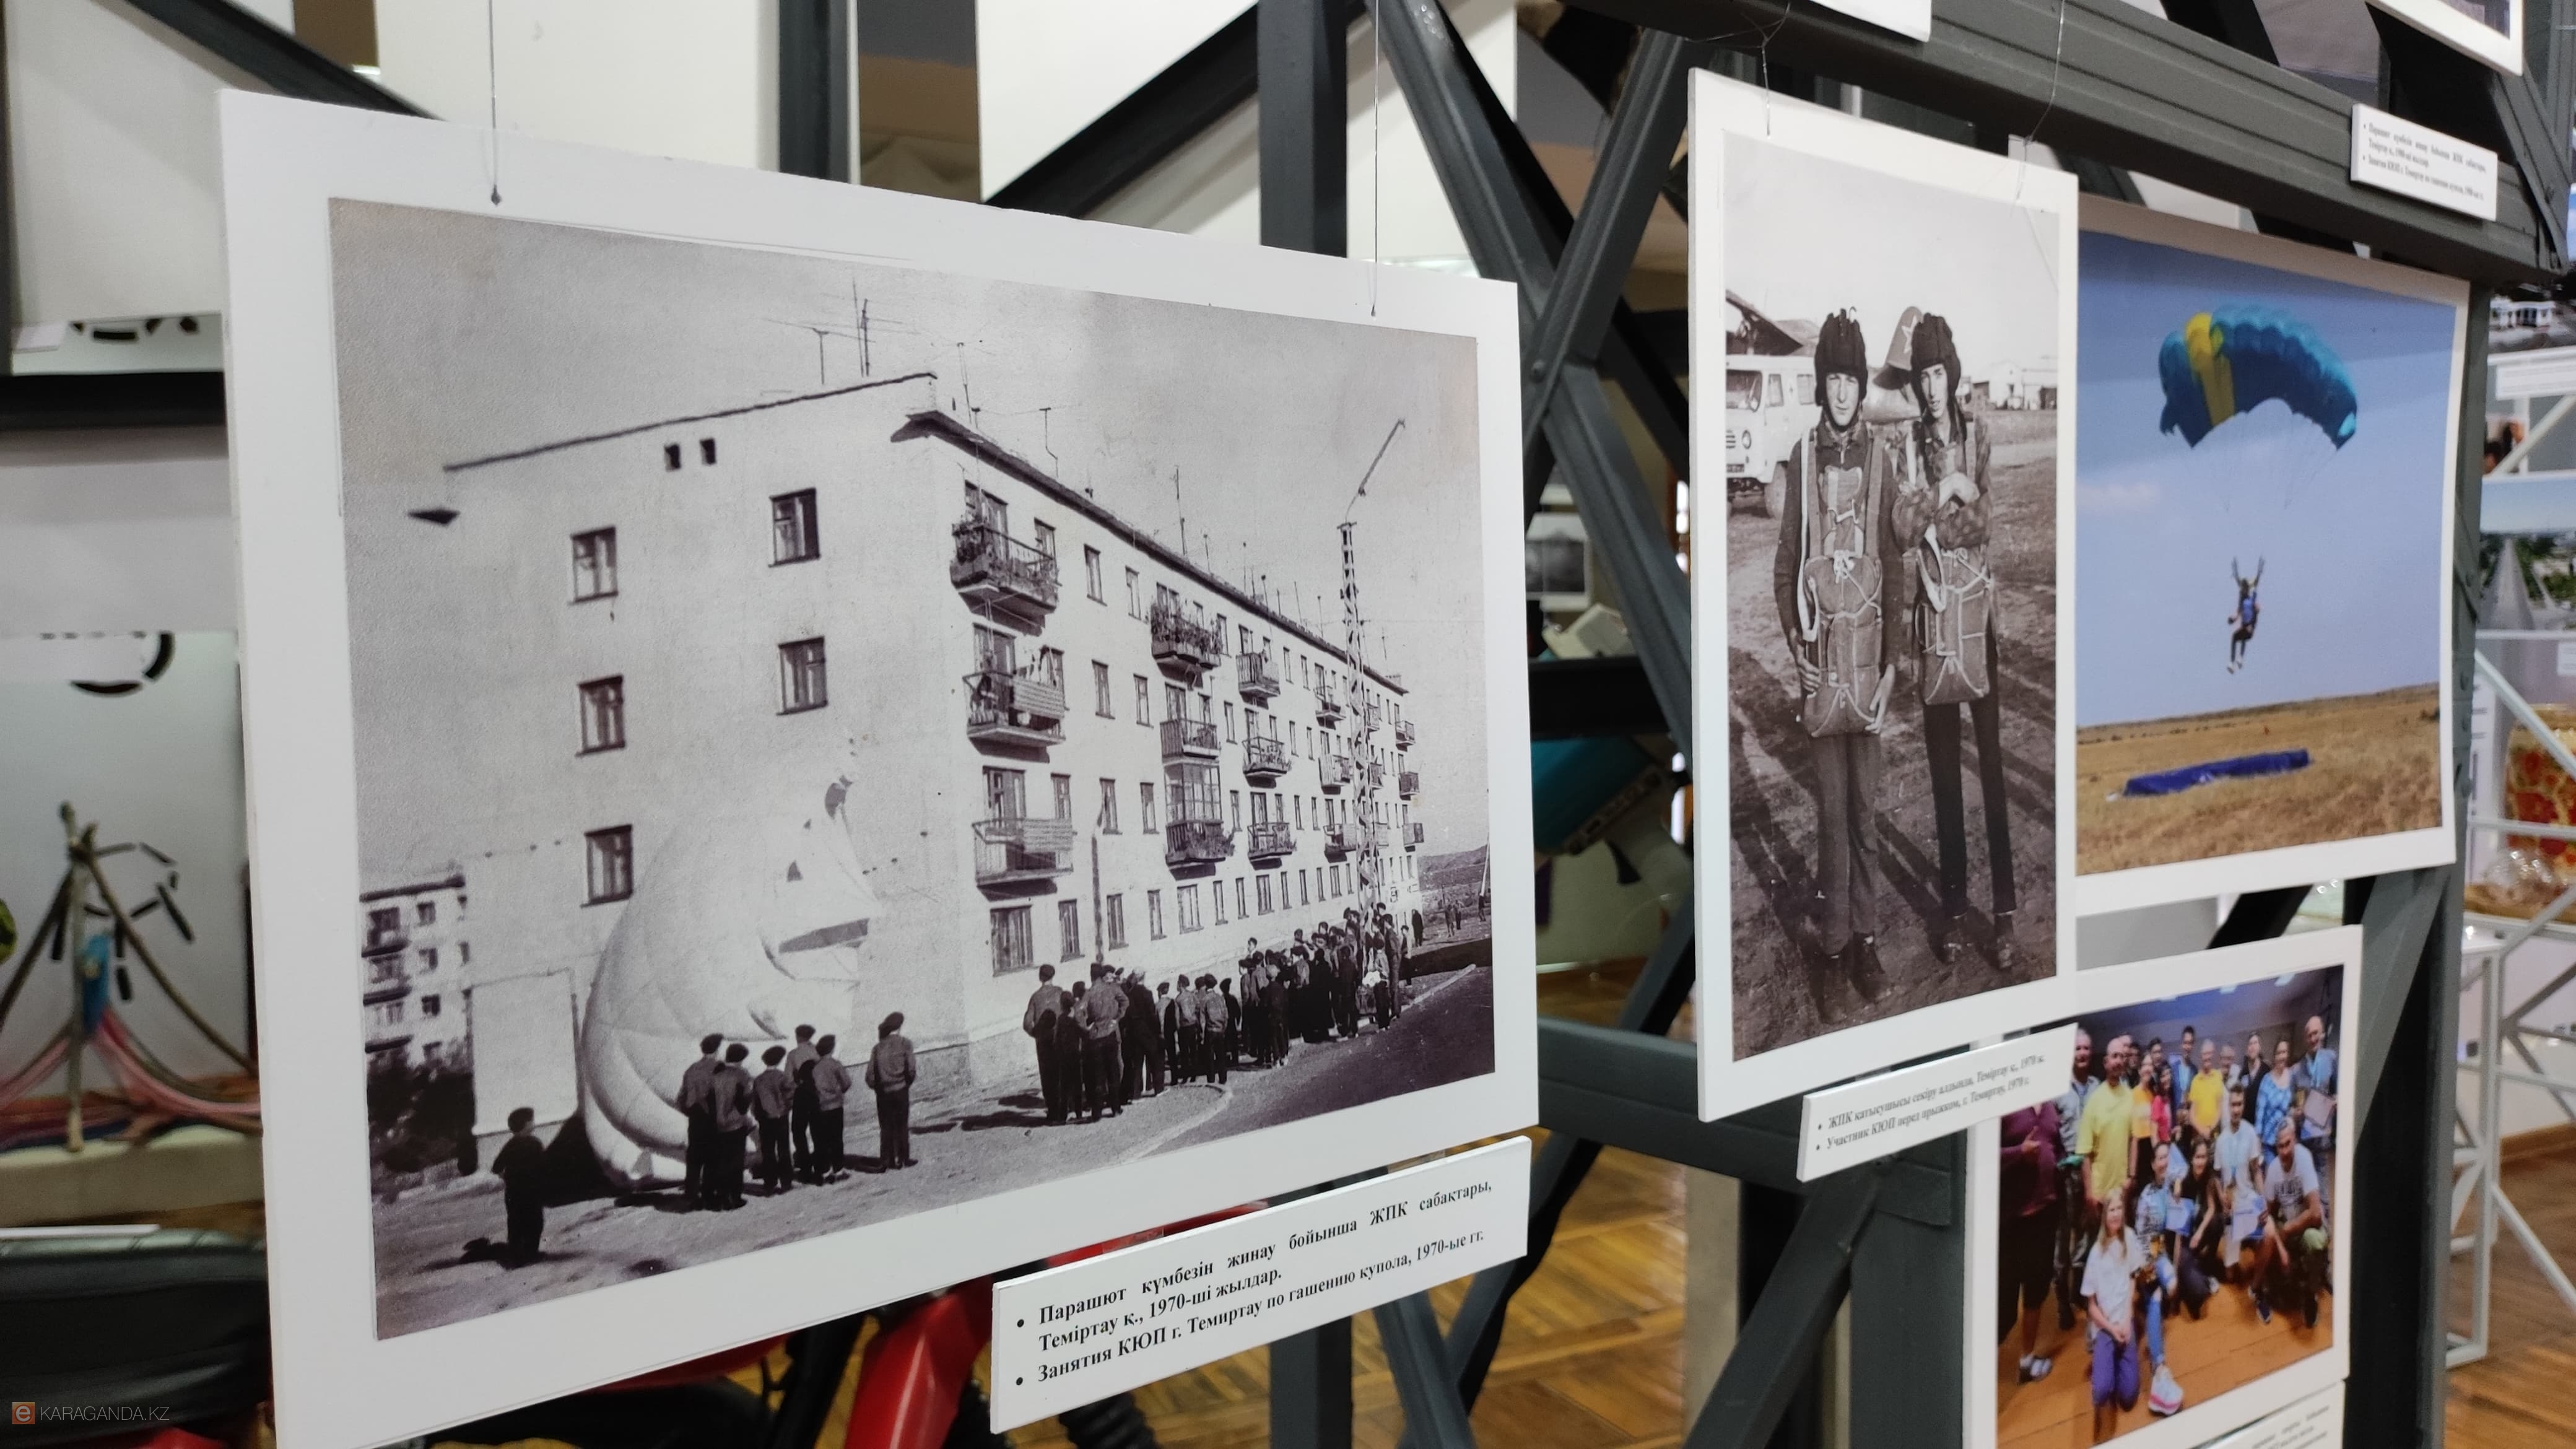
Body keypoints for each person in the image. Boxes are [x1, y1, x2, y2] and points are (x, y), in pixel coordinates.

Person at [1773, 310, 1902, 1003]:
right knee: (1828, 818)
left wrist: (1891, 670)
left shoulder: (1882, 459)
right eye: (1834, 380)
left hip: (1869, 674)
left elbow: (1896, 569)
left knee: (1863, 814)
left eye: (1852, 380)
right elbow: (1783, 569)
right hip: (1822, 678)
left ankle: (1868, 946)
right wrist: (1798, 650)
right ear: (1822, 385)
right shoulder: (1802, 458)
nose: (1844, 392)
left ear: (1861, 386)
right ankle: (1832, 949)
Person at [1886, 310, 2016, 972]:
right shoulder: (1907, 446)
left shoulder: (1980, 433)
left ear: (1952, 375)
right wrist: (1949, 489)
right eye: (1923, 376)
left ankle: (2005, 914)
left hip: (1979, 623)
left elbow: (1986, 521)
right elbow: (1903, 527)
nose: (1932, 387)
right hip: (1934, 628)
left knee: (1990, 768)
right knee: (1943, 774)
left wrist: (1950, 508)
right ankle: (1956, 910)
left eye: (1939, 373)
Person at [1998, 1098, 2061, 1384]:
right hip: (2012, 1219)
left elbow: (2054, 1146)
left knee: (2037, 1290)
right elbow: (1981, 1157)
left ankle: (2026, 1360)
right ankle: (1976, 1372)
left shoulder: (2049, 1106)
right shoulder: (2005, 1103)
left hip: (2045, 1214)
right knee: (2004, 1301)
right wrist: (2018, 1153)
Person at [2081, 1193, 2147, 1442]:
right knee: (2101, 1393)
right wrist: (2111, 1328)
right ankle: (2105, 1362)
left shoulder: (2129, 1237)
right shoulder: (2095, 1253)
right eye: (2112, 1210)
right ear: (2104, 1215)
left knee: (2129, 1398)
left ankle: (2117, 1359)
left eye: (2120, 1208)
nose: (2116, 1214)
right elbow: (2091, 1306)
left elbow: (2132, 1279)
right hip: (2105, 1327)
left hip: (2125, 1322)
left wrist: (2128, 1318)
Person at [2130, 1142, 2187, 1417]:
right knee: (2157, 1296)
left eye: (2167, 1157)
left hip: (2161, 1251)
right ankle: (2159, 1366)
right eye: (2160, 1159)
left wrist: (2178, 1185)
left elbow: (2183, 1168)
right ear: (2153, 1165)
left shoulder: (2170, 1179)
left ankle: (2150, 1301)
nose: (2164, 1162)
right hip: (2145, 1255)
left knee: (2173, 1286)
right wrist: (2146, 1268)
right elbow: (2141, 1239)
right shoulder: (2147, 1197)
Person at [2252, 1119, 2326, 1326]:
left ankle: (2311, 1294)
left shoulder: (2304, 1158)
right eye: (2280, 1146)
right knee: (2266, 1233)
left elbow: (2315, 1213)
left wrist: (2288, 1228)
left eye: (2288, 1144)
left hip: (2305, 1227)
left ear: (2295, 1140)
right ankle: (2267, 1287)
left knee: (2317, 1241)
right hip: (2286, 1222)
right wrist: (2280, 1244)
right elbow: (2269, 1214)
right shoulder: (2274, 1169)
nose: (2285, 1151)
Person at [2053, 1028, 2099, 1332]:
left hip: (2089, 1171)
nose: (2082, 1053)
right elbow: (2050, 1133)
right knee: (2062, 1241)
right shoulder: (2057, 1089)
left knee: (2086, 1233)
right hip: (2064, 1174)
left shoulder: (2097, 1087)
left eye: (2086, 1048)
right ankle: (2061, 1302)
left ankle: (2077, 1291)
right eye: (2077, 1049)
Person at [2214, 1084, 2265, 1282]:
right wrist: (2222, 1197)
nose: (2236, 1109)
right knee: (2230, 1275)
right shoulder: (2221, 1140)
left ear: (2244, 1105)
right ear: (2228, 1106)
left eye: (2239, 1104)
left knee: (2267, 1233)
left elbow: (2256, 1170)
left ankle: (2260, 1281)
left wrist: (2263, 1201)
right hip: (2231, 1204)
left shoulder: (2251, 1133)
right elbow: (2216, 1176)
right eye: (2233, 1105)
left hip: (2248, 1198)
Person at [2173, 1136, 2226, 1321]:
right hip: (2183, 1241)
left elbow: (2211, 1208)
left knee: (2218, 1221)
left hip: (2196, 1235)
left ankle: (2205, 1267)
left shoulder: (2207, 1179)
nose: (2201, 1162)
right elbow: (2177, 1232)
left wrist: (2201, 1232)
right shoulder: (2183, 1183)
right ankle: (2194, 1275)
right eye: (2198, 1157)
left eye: (2204, 1157)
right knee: (2198, 1295)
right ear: (2191, 1159)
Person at [492, 1105, 547, 1265]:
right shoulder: (535, 1144)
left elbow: (496, 1167)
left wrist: (506, 1177)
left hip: (514, 1192)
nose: (534, 1123)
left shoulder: (511, 1144)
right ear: (526, 1124)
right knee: (535, 1222)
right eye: (532, 1121)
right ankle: (531, 1253)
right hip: (532, 1192)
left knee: (516, 1223)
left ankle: (515, 1254)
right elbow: (543, 1166)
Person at [2294, 1015, 2338, 1208]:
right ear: (2305, 1038)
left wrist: (2337, 1099)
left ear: (2322, 1034)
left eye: (2316, 1034)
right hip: (2304, 1133)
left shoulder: (2331, 1059)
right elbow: (2293, 1104)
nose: (2313, 1039)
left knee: (2322, 1174)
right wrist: (2296, 1111)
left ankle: (2325, 1216)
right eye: (2309, 1035)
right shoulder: (2298, 1069)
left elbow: (2338, 1090)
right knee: (2305, 1179)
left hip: (2322, 1131)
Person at [677, 1033, 723, 1209]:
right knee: (713, 1157)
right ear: (717, 1050)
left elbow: (682, 1098)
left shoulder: (691, 1070)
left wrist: (691, 1112)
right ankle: (709, 1195)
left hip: (696, 1119)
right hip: (714, 1117)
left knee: (695, 1158)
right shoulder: (720, 1068)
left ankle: (691, 1195)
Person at [867, 1011, 918, 1170]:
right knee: (902, 1124)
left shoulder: (877, 1048)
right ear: (900, 1027)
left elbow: (870, 1076)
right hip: (901, 1090)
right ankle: (903, 1159)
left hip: (883, 1093)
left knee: (886, 1127)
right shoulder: (905, 1044)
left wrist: (879, 1088)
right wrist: (906, 1084)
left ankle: (886, 1161)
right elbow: (911, 1069)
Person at [711, 1043, 754, 1209]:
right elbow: (745, 1101)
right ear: (741, 1059)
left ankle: (721, 1196)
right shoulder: (742, 1075)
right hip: (735, 1124)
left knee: (721, 1161)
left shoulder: (716, 1075)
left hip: (717, 1125)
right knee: (736, 1161)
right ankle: (734, 1197)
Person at [1024, 964, 1069, 1123]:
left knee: (1047, 1076)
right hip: (1060, 1040)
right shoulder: (1060, 992)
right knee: (1061, 1075)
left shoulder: (1036, 997)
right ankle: (1063, 1112)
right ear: (1053, 975)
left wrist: (1037, 1034)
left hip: (1044, 1043)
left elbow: (1027, 1023)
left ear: (1040, 977)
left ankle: (1052, 1112)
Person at [1082, 967, 1127, 1116]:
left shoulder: (1089, 993)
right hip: (1110, 1033)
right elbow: (1125, 1001)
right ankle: (1116, 1108)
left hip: (1096, 1036)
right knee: (1113, 1072)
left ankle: (1097, 1112)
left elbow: (1079, 1012)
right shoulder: (1112, 988)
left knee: (1098, 1075)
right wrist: (1117, 1018)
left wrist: (1086, 1027)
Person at [752, 1045, 795, 1195]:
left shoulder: (758, 1080)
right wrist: (787, 1108)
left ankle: (770, 1183)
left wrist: (759, 1116)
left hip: (765, 1120)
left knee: (768, 1151)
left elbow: (755, 1102)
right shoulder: (782, 1077)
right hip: (781, 1117)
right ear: (779, 1061)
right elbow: (790, 1095)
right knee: (784, 1149)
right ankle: (786, 1182)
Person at [785, 1024, 820, 1183]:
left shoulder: (793, 1055)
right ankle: (821, 1166)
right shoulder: (817, 1051)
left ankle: (806, 1169)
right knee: (817, 1131)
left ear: (798, 1036)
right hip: (818, 1094)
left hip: (802, 1095)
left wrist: (794, 1089)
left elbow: (788, 1080)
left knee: (798, 1132)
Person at [812, 1034, 850, 1180]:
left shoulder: (815, 1068)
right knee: (837, 1139)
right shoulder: (835, 1064)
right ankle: (838, 1169)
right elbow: (846, 1082)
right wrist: (839, 1092)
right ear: (832, 1049)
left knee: (823, 1140)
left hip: (821, 1107)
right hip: (835, 1105)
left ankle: (825, 1171)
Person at [1121, 968, 1159, 1102]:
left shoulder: (1129, 994)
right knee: (1154, 1059)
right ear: (1144, 977)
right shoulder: (1147, 993)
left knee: (1137, 1064)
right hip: (1146, 1031)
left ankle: (1136, 1094)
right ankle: (1158, 1089)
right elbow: (1152, 1014)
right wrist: (1156, 1031)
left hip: (1133, 1032)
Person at [1059, 981, 1095, 1121]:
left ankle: (1063, 1115)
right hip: (1075, 1054)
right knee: (1077, 1085)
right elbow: (1083, 1033)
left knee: (1064, 1087)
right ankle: (1078, 1113)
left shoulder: (1061, 1020)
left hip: (1064, 1057)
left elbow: (1057, 1039)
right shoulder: (1074, 1021)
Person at [2256, 1036, 2297, 1148]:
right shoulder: (2266, 1080)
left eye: (2284, 1052)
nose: (2282, 1056)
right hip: (2269, 1141)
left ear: (2288, 1054)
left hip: (2287, 1141)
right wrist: (2258, 1139)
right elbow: (2260, 1112)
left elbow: (2296, 1104)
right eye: (2279, 1053)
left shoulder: (2293, 1077)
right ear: (2274, 1056)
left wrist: (2294, 1112)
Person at [2226, 557, 2263, 673]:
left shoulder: (2251, 600)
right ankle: (2235, 661)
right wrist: (2233, 619)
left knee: (2240, 637)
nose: (2242, 591)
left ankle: (2238, 660)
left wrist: (2259, 573)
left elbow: (2256, 608)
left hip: (2250, 628)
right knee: (2237, 637)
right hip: (2245, 628)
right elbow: (2238, 613)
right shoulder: (2242, 602)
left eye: (2243, 589)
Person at [2187, 1040, 2224, 1143]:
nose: (2207, 1057)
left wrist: (2210, 1129)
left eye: (2210, 1053)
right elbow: (2192, 1114)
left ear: (2213, 1055)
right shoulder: (2195, 1081)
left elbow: (2219, 1109)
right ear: (2201, 1056)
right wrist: (2202, 1131)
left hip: (2214, 1136)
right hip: (2198, 1137)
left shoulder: (2218, 1076)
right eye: (2205, 1054)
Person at [1172, 976, 1203, 1087]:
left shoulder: (1178, 999)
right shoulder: (1192, 995)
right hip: (1193, 1025)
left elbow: (1177, 1016)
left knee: (1184, 1053)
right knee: (1193, 1051)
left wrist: (1177, 1028)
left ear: (1180, 985)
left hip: (1184, 1027)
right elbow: (1198, 1008)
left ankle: (1186, 1076)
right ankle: (1194, 1075)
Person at [1199, 976, 1230, 1084]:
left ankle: (1211, 1080)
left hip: (1210, 1030)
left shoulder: (1204, 1000)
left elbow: (1202, 1020)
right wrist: (1224, 1029)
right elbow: (1226, 1015)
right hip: (1220, 1030)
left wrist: (1202, 1035)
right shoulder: (1220, 998)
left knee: (1210, 1057)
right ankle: (1223, 1079)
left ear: (1206, 986)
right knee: (1221, 1055)